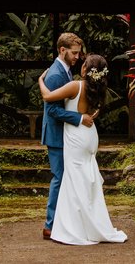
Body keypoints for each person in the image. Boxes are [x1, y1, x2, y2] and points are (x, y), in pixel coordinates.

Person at [38, 52, 128, 246]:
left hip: (76, 137)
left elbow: (47, 97)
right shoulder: (99, 90)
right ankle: (92, 222)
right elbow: (94, 112)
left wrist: (40, 80)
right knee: (87, 179)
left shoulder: (76, 86)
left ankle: (76, 226)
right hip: (89, 135)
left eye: (83, 63)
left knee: (74, 179)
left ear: (86, 70)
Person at [40, 32, 93, 240]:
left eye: (79, 53)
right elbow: (52, 110)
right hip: (56, 135)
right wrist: (80, 119)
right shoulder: (55, 75)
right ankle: (50, 225)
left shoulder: (66, 71)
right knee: (59, 178)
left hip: (65, 135)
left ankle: (64, 222)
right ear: (62, 50)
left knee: (65, 178)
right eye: (74, 53)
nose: (77, 57)